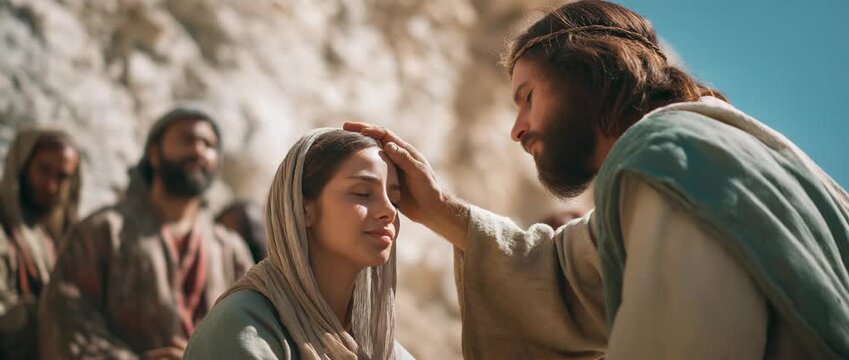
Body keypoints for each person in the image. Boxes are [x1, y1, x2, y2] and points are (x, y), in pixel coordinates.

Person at [345, 1, 849, 358]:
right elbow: (567, 272)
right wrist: (439, 209)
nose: (517, 129)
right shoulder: (703, 159)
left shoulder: (667, 158)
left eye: (527, 97)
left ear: (586, 70)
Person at [38, 107, 254, 359]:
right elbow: (65, 324)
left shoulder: (230, 249)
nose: (198, 150)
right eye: (186, 139)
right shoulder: (103, 231)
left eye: (209, 144)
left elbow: (250, 335)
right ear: (153, 153)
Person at [185, 129, 413, 359]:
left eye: (395, 200)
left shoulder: (380, 347)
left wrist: (440, 209)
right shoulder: (244, 327)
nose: (389, 211)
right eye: (362, 193)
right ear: (303, 210)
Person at [0, 129, 81, 359]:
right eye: (44, 170)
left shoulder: (50, 237)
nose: (51, 185)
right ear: (22, 165)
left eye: (62, 177)